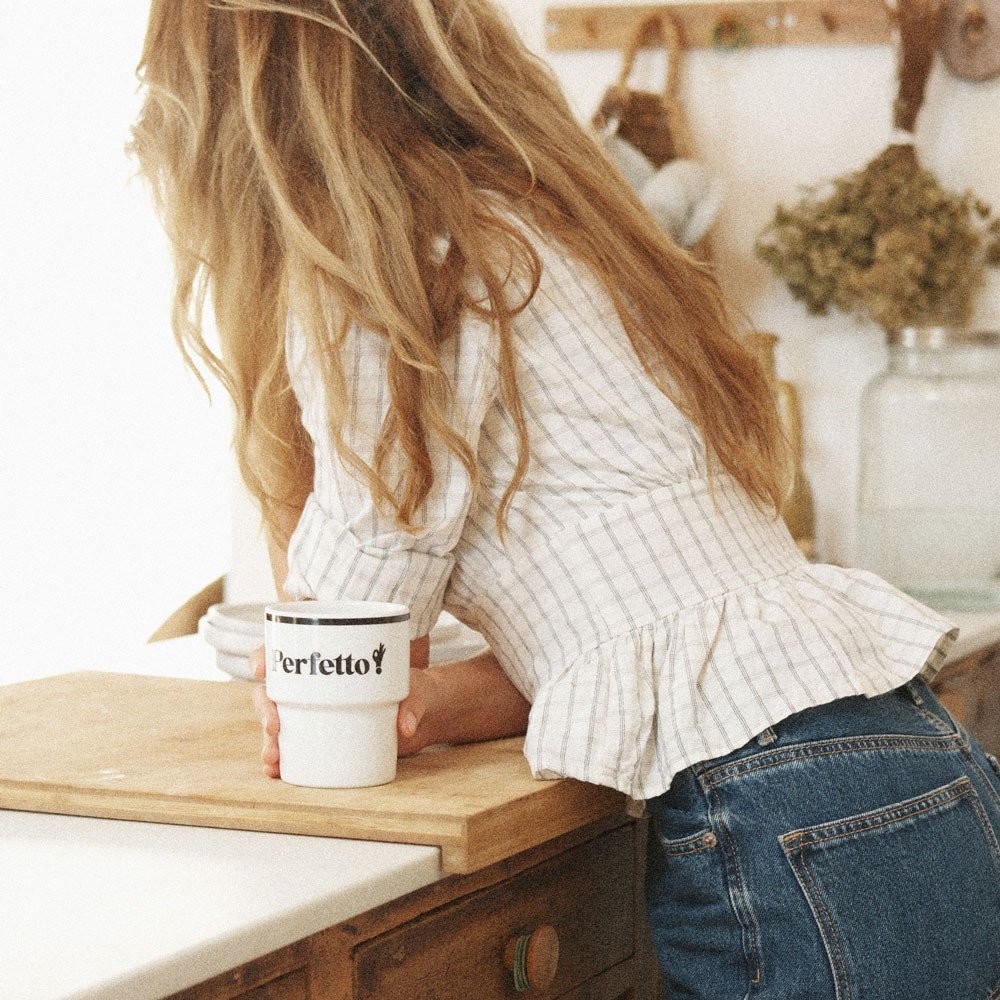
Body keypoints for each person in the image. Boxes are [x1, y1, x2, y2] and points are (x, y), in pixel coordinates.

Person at [126, 2, 1000, 995]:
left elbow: (358, 606)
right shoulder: (553, 225)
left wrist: (311, 660)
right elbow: (620, 629)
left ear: (234, 114)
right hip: (919, 761)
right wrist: (425, 705)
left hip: (782, 812)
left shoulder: (385, 264)